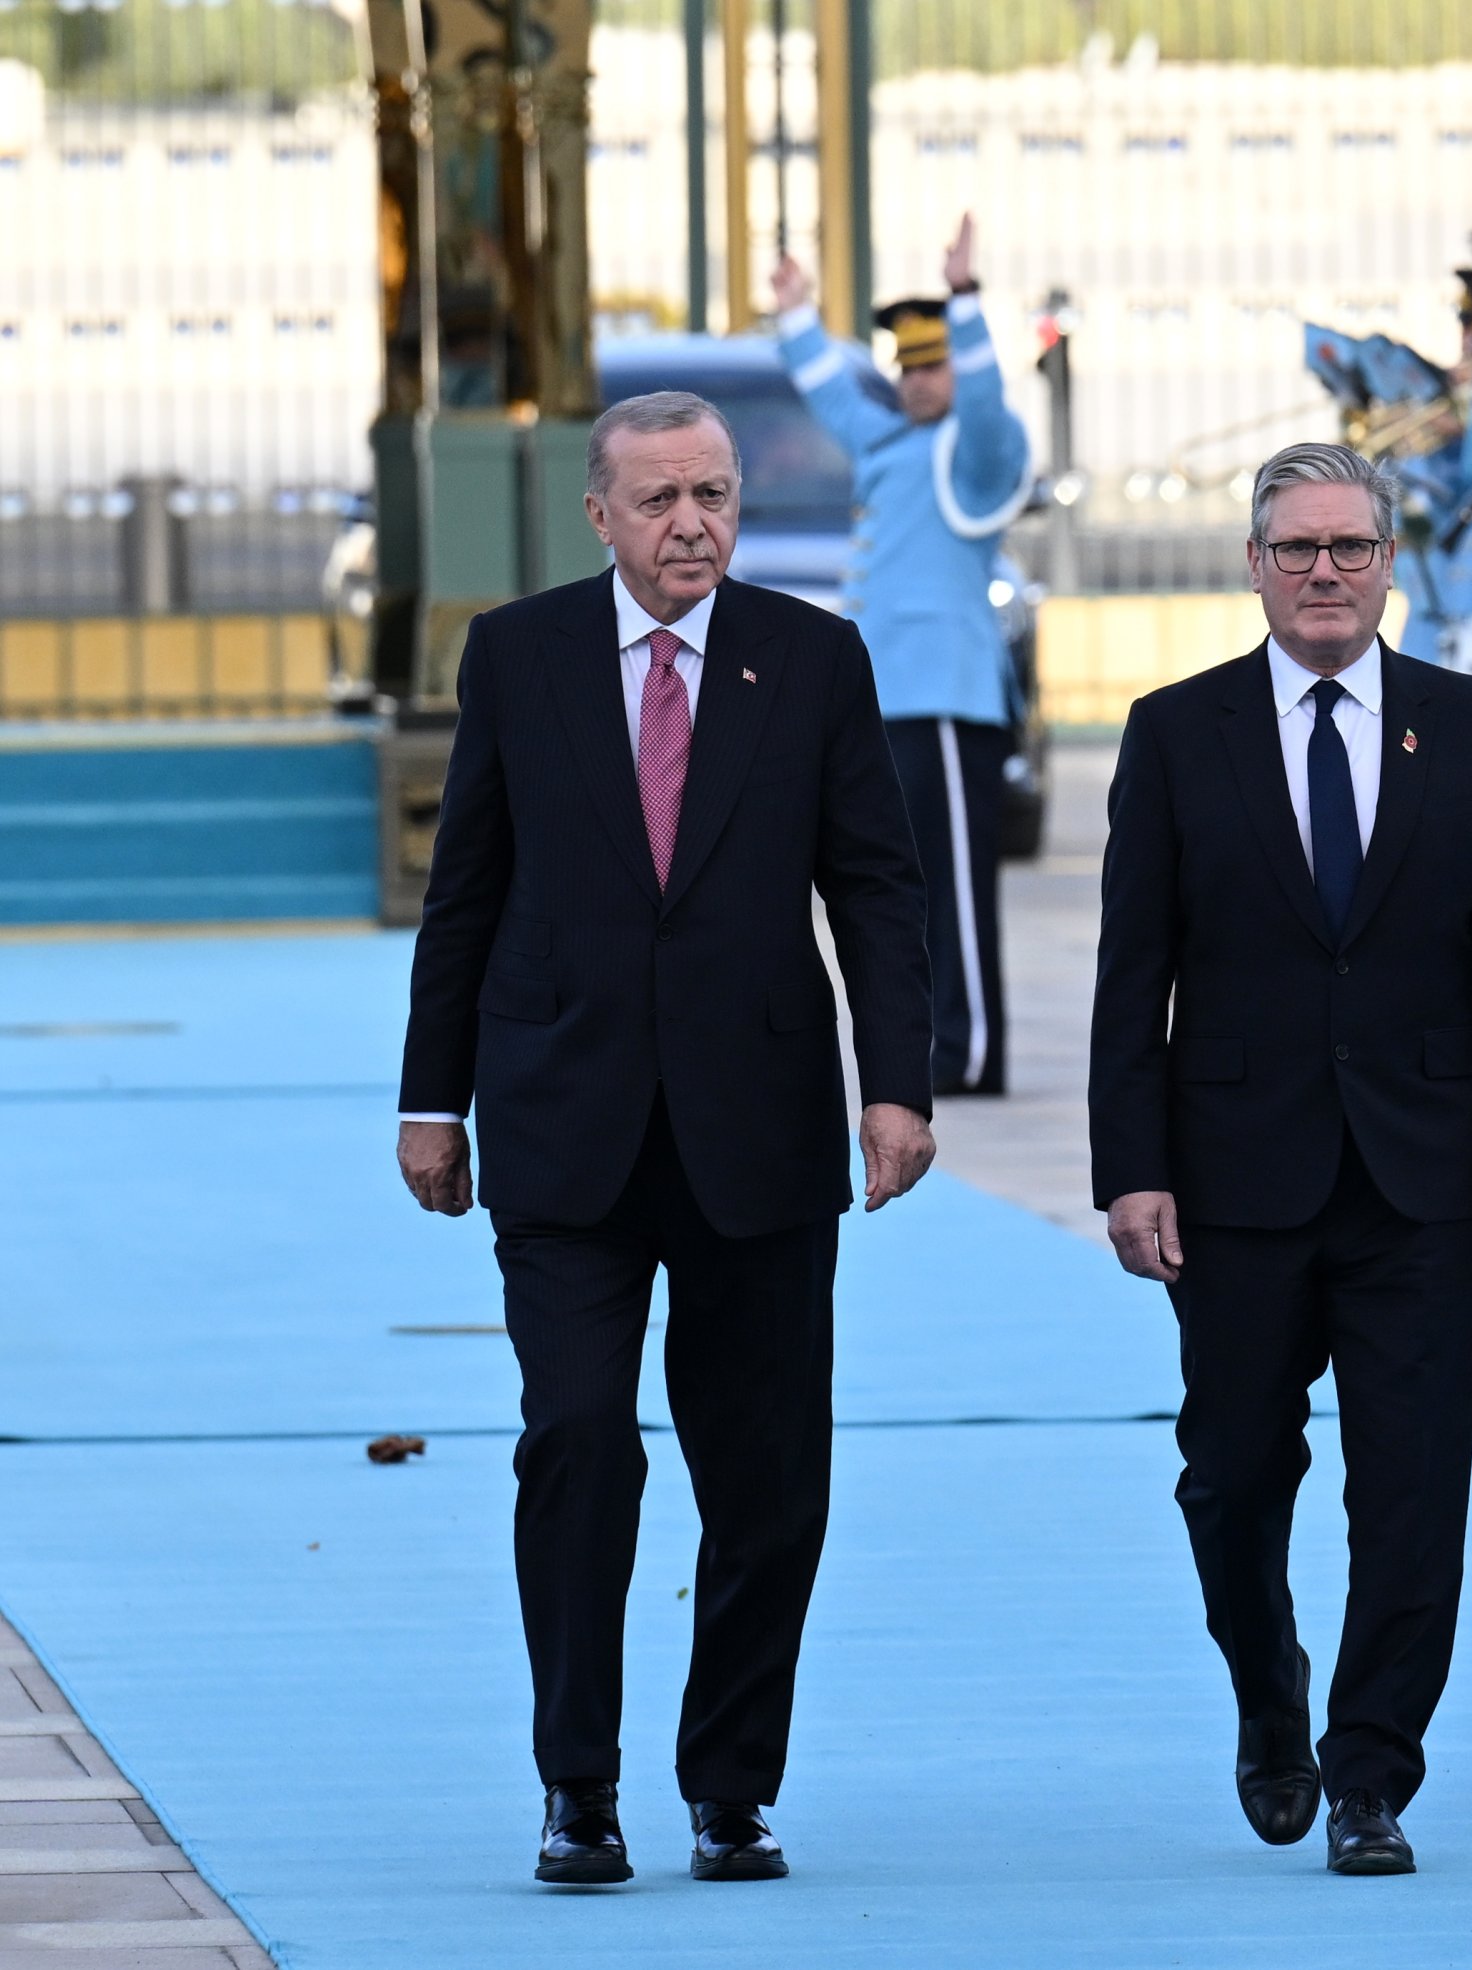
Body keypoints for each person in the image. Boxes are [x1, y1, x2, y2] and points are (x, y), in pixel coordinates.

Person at [394, 390, 937, 1886]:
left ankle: (732, 1784)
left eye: (714, 493)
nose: (692, 522)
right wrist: (430, 1099)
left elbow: (877, 887)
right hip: (564, 1128)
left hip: (757, 1132)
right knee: (577, 1441)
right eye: (660, 500)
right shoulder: (518, 656)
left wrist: (899, 1087)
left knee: (766, 1473)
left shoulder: (812, 658)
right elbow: (468, 890)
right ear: (601, 516)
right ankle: (578, 1785)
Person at [1088, 441, 1472, 1875]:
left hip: (1424, 1177)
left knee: (1414, 1485)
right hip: (1233, 1178)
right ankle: (1269, 1688)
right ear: (1252, 563)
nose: (1323, 572)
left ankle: (1372, 1773)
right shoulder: (1177, 731)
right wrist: (1134, 1167)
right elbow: (1135, 978)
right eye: (1296, 547)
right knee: (1233, 1474)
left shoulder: (1470, 727)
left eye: (1350, 548)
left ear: (1388, 567)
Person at [774, 214, 1034, 1096]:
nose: (920, 380)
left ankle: (968, 1051)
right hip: (885, 696)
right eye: (910, 366)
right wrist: (795, 317)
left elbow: (991, 410)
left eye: (934, 364)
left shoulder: (979, 451)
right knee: (902, 886)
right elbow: (832, 399)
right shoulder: (889, 444)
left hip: (952, 700)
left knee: (957, 890)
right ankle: (933, 1044)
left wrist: (965, 303)